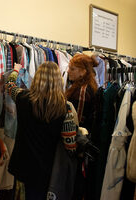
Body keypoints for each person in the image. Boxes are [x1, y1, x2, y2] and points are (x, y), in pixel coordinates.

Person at [6, 61, 76, 200]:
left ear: (37, 78)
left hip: (23, 163)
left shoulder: (23, 98)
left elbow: (10, 86)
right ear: (58, 81)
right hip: (47, 168)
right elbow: (70, 144)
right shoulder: (65, 107)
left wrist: (15, 70)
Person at [66, 53, 99, 200]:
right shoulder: (82, 86)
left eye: (72, 69)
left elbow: (76, 123)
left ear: (83, 72)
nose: (68, 71)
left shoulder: (82, 91)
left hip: (77, 145)